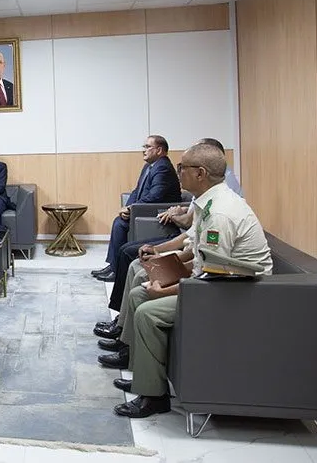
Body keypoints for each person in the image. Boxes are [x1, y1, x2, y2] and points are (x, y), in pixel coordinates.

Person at [106, 144, 272, 418]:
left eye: (182, 168)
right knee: (139, 292)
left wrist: (163, 291)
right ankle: (142, 376)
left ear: (200, 173)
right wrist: (162, 269)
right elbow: (201, 260)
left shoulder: (220, 213)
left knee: (148, 312)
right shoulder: (209, 202)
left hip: (239, 295)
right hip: (222, 283)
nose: (178, 172)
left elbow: (211, 276)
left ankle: (154, 398)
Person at [92, 135, 181, 282]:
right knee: (119, 221)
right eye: (144, 147)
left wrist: (132, 209)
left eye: (147, 147)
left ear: (159, 150)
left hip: (157, 214)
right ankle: (113, 266)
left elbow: (155, 196)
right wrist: (127, 208)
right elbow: (136, 191)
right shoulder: (149, 166)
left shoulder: (163, 167)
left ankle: (116, 270)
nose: (143, 150)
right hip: (143, 210)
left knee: (120, 224)